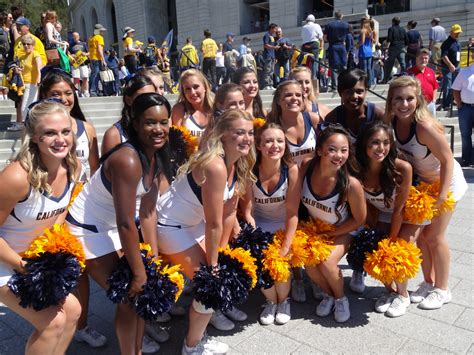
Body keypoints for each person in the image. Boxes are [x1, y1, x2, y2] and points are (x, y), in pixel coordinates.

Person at [67, 92, 172, 354]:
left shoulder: (156, 155)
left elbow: (147, 212)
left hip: (111, 227)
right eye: (150, 122)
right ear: (135, 124)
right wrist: (138, 272)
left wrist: (152, 258)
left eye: (163, 122)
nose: (158, 129)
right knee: (128, 296)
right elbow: (126, 222)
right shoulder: (127, 159)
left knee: (138, 295)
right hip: (86, 229)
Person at [156, 109, 255, 354]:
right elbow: (214, 222)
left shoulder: (238, 162)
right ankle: (192, 346)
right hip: (170, 226)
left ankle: (208, 317)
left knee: (215, 278)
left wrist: (220, 254)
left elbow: (229, 213)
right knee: (209, 285)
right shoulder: (215, 166)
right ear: (223, 134)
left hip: (193, 224)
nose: (247, 138)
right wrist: (212, 266)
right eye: (239, 133)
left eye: (250, 133)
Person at [0, 100, 82, 353]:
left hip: (31, 261)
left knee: (73, 311)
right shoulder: (16, 177)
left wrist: (50, 256)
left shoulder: (72, 167)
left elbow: (57, 218)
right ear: (35, 137)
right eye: (50, 133)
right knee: (52, 322)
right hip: (6, 260)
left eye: (65, 131)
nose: (60, 139)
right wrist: (25, 267)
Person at [384, 76, 467, 310]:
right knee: (421, 238)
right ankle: (429, 283)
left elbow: (448, 160)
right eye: (398, 98)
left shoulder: (424, 126)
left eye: (409, 98)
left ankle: (443, 289)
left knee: (434, 237)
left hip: (446, 184)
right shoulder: (392, 123)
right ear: (391, 101)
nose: (404, 103)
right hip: (423, 187)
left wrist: (442, 196)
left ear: (418, 99)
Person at [355, 121, 425, 317]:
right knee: (374, 247)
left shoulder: (402, 168)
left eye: (386, 142)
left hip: (409, 212)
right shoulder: (356, 168)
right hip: (383, 211)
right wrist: (370, 229)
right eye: (375, 143)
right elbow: (365, 203)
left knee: (397, 250)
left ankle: (403, 295)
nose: (381, 148)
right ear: (364, 145)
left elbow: (399, 211)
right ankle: (390, 291)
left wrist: (391, 241)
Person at [301, 125, 366, 323]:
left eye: (344, 150)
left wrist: (333, 234)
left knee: (328, 262)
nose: (338, 155)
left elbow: (359, 219)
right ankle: (329, 294)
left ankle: (341, 298)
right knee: (310, 264)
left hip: (345, 229)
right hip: (317, 229)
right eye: (332, 149)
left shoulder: (350, 184)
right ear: (319, 150)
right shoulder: (307, 166)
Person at [240, 122, 300, 325]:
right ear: (259, 145)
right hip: (260, 227)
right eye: (268, 141)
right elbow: (248, 211)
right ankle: (271, 301)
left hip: (284, 228)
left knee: (279, 264)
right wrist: (254, 240)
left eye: (280, 141)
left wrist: (285, 245)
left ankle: (284, 301)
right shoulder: (250, 170)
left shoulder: (291, 170)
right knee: (258, 261)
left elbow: (293, 213)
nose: (275, 145)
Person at [267, 80, 321, 167]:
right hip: (287, 178)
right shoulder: (272, 125)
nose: (294, 98)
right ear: (278, 100)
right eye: (288, 95)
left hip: (312, 178)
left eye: (298, 95)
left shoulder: (313, 119)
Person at [325, 68, 385, 145]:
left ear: (366, 92)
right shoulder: (333, 119)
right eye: (348, 92)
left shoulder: (378, 115)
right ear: (340, 93)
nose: (354, 96)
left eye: (359, 92)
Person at [101, 75, 156, 155]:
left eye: (152, 96)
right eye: (142, 97)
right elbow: (108, 166)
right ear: (128, 100)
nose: (148, 101)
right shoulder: (114, 135)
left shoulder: (159, 130)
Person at [171, 69, 214, 138]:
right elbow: (176, 141)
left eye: (196, 87)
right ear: (183, 92)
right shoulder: (179, 110)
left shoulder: (216, 109)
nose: (192, 92)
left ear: (205, 87)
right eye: (187, 89)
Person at [452, 47, 474, 167]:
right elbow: (455, 89)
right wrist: (459, 104)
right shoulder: (464, 71)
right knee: (465, 135)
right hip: (465, 108)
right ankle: (466, 159)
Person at [17, 35, 43, 126]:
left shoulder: (35, 53)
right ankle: (31, 125)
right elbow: (20, 68)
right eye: (24, 44)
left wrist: (39, 76)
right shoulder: (22, 57)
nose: (26, 46)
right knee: (27, 107)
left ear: (33, 45)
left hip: (33, 83)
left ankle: (30, 126)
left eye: (28, 44)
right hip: (23, 84)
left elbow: (39, 65)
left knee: (26, 107)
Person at [407, 48, 439, 117]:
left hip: (430, 104)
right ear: (416, 58)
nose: (424, 60)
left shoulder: (431, 71)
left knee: (431, 125)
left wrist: (434, 100)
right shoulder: (410, 73)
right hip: (417, 105)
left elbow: (435, 87)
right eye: (421, 58)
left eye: (426, 58)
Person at [324, 10, 349, 90]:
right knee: (343, 66)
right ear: (341, 16)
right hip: (342, 46)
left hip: (333, 46)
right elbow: (348, 37)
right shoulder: (346, 25)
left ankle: (334, 87)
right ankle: (345, 84)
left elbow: (324, 38)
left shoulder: (329, 25)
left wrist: (329, 40)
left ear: (335, 16)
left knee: (333, 67)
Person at [439, 24, 462, 111]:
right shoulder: (446, 43)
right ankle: (446, 104)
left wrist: (457, 65)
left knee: (456, 85)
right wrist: (450, 65)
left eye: (459, 32)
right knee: (448, 85)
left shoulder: (457, 42)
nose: (458, 34)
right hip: (447, 68)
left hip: (457, 67)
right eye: (456, 32)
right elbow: (444, 56)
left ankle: (453, 100)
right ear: (451, 32)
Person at [383, 17, 408, 83]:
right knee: (403, 64)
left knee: (390, 64)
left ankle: (386, 79)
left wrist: (386, 48)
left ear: (393, 22)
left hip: (393, 48)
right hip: (401, 48)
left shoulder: (391, 29)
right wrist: (405, 47)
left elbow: (389, 39)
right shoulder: (403, 29)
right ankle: (405, 77)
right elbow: (407, 40)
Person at [301, 15, 323, 82]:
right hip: (314, 44)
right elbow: (320, 37)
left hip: (305, 45)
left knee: (305, 61)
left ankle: (305, 77)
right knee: (314, 61)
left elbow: (302, 37)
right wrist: (321, 46)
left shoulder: (304, 27)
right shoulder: (316, 26)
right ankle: (313, 77)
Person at [69, 32, 90, 97]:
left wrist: (85, 54)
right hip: (75, 64)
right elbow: (68, 53)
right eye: (74, 37)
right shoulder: (70, 45)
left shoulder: (83, 44)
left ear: (79, 36)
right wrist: (71, 55)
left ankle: (85, 91)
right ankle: (76, 92)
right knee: (76, 78)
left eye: (76, 36)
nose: (75, 38)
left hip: (83, 63)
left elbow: (89, 53)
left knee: (85, 77)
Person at [88, 24, 107, 97]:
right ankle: (93, 91)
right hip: (97, 58)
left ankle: (96, 90)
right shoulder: (99, 37)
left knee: (95, 75)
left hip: (92, 58)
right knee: (96, 75)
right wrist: (103, 60)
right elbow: (100, 49)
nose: (103, 32)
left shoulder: (91, 38)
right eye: (102, 31)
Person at [357, 18, 376, 87]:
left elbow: (362, 42)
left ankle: (364, 84)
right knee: (369, 69)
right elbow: (372, 42)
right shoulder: (370, 31)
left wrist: (356, 45)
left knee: (363, 69)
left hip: (363, 51)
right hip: (369, 51)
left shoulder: (363, 31)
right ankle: (369, 83)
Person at [263, 23, 279, 89]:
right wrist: (274, 47)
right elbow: (265, 45)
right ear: (271, 28)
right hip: (268, 55)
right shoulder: (266, 35)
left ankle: (271, 84)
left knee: (272, 71)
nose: (276, 30)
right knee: (267, 70)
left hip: (272, 56)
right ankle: (266, 85)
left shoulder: (272, 36)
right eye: (275, 29)